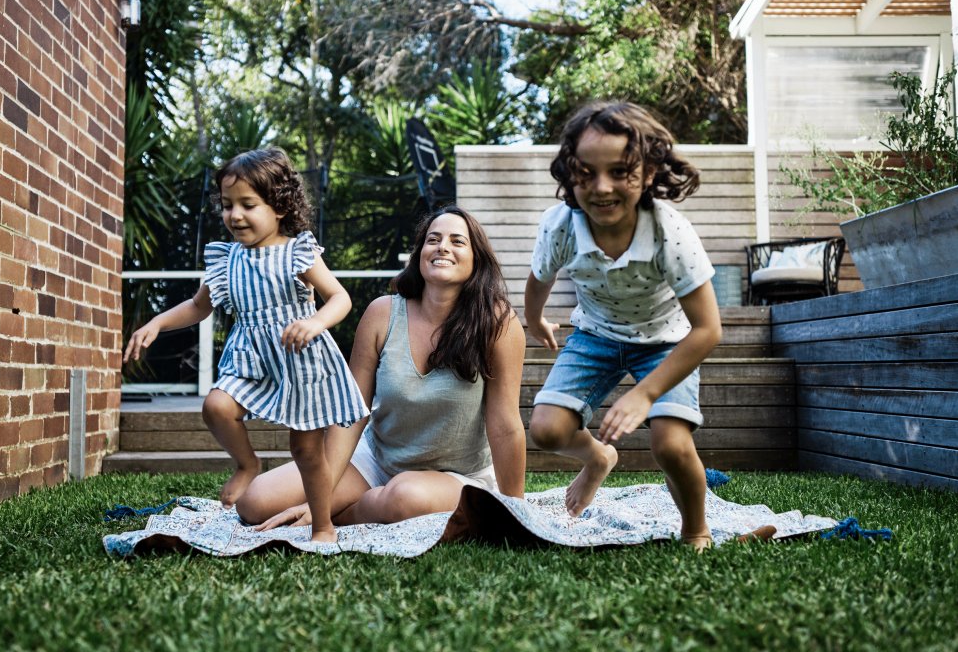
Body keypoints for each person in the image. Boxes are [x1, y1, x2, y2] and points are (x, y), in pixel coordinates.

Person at [122, 147, 369, 543]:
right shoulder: (226, 259)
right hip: (250, 359)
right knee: (216, 405)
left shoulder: (297, 252)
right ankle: (247, 464)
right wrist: (156, 323)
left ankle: (323, 526)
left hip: (300, 361)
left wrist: (314, 321)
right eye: (227, 205)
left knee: (306, 452)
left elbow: (340, 298)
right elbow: (197, 307)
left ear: (280, 207)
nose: (235, 215)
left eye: (248, 205)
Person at [239, 205, 527, 530]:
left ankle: (350, 514)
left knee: (405, 497)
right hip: (377, 460)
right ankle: (360, 502)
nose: (443, 246)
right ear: (419, 253)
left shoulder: (499, 323)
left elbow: (505, 425)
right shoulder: (382, 314)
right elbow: (352, 413)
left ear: (476, 259)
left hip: (457, 475)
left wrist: (514, 510)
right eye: (433, 239)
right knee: (256, 502)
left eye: (457, 241)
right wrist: (323, 491)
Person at [524, 100, 722, 551]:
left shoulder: (669, 231)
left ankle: (695, 528)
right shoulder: (561, 227)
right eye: (586, 173)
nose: (602, 187)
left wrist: (645, 393)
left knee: (670, 446)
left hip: (665, 343)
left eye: (620, 171)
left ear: (648, 172)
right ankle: (597, 459)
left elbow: (708, 329)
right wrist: (534, 319)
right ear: (569, 173)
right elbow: (539, 279)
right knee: (547, 430)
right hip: (594, 335)